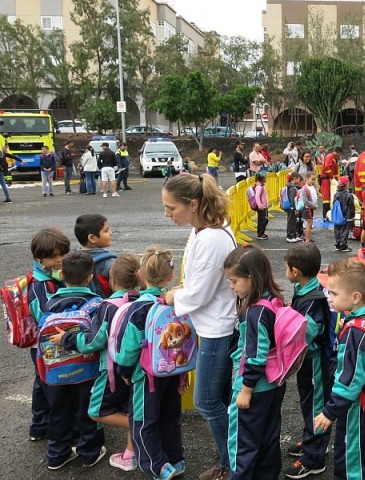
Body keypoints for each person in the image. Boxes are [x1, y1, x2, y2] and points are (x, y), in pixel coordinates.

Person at [162, 173, 238, 480]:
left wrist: (171, 296)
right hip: (213, 323)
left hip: (217, 329)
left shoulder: (210, 237)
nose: (167, 214)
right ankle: (232, 459)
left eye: (171, 208)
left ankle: (231, 463)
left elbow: (198, 293)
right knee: (218, 399)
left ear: (193, 204)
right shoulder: (205, 228)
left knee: (207, 401)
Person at [49, 253, 141, 471]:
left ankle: (144, 427)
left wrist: (67, 338)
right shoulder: (143, 300)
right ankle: (132, 452)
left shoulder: (107, 307)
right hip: (138, 368)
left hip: (113, 370)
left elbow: (94, 341)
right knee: (131, 407)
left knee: (97, 411)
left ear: (111, 279)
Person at [117, 247, 186, 479]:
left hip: (146, 376)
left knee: (143, 421)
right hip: (173, 370)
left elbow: (129, 347)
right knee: (169, 417)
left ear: (141, 275)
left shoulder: (138, 307)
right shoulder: (174, 303)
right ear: (170, 277)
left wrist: (124, 370)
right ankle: (176, 460)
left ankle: (158, 466)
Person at [312, 259, 365, 480]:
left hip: (356, 409)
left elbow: (351, 378)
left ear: (355, 297)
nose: (329, 298)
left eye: (333, 293)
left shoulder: (355, 332)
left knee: (354, 463)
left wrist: (330, 411)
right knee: (364, 456)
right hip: (363, 406)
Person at [223, 246, 287, 480]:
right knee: (269, 438)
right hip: (273, 384)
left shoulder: (254, 312)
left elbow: (256, 355)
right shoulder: (274, 301)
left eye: (234, 281)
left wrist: (246, 390)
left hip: (253, 388)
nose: (232, 286)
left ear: (250, 277)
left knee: (242, 443)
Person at [41, 251, 107, 470]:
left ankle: (57, 454)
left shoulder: (50, 304)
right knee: (87, 410)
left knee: (58, 412)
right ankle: (90, 452)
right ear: (90, 277)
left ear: (61, 274)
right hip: (86, 372)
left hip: (55, 373)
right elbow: (98, 339)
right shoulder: (96, 304)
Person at [284, 244, 333, 479]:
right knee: (308, 402)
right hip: (306, 360)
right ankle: (311, 438)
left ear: (295, 271)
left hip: (315, 361)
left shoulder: (313, 299)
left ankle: (314, 458)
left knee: (316, 405)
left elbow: (306, 332)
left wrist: (281, 327)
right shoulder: (303, 289)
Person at [27, 228, 70, 443]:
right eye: (53, 257)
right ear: (39, 258)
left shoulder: (51, 277)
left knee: (42, 384)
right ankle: (54, 432)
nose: (59, 260)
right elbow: (45, 316)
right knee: (50, 387)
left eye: (62, 254)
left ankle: (39, 426)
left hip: (47, 344)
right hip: (45, 346)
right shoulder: (39, 284)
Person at [75, 213, 117, 298]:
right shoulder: (109, 263)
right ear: (92, 238)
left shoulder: (72, 260)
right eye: (106, 230)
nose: (110, 233)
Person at [333, 176, 355, 252]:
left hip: (337, 215)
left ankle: (338, 244)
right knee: (344, 230)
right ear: (346, 184)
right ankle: (343, 245)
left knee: (337, 229)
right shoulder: (349, 195)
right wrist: (352, 215)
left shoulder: (336, 194)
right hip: (346, 215)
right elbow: (352, 206)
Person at [320, 146, 341, 219]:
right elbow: (327, 168)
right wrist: (332, 178)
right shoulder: (330, 156)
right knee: (326, 197)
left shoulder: (335, 159)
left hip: (330, 180)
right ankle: (325, 216)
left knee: (331, 196)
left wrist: (336, 180)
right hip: (326, 179)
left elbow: (335, 172)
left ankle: (329, 215)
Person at [299, 173, 319, 244]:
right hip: (308, 208)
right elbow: (305, 201)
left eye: (314, 179)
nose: (313, 181)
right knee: (309, 224)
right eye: (312, 179)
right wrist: (314, 206)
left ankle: (308, 238)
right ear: (307, 179)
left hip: (311, 208)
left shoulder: (312, 187)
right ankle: (307, 239)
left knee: (310, 224)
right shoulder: (305, 188)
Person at [285, 172, 304, 243]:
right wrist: (295, 208)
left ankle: (293, 235)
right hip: (292, 207)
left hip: (291, 207)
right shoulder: (293, 188)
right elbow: (293, 199)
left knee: (293, 221)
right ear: (295, 178)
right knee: (291, 221)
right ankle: (290, 236)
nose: (299, 181)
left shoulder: (290, 187)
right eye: (299, 179)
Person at [253, 171, 269, 240]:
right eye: (265, 178)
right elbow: (257, 197)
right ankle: (260, 233)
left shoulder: (262, 186)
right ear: (262, 179)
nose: (266, 179)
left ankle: (262, 232)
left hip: (264, 206)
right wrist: (260, 205)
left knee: (265, 219)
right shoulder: (259, 187)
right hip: (261, 207)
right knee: (261, 220)